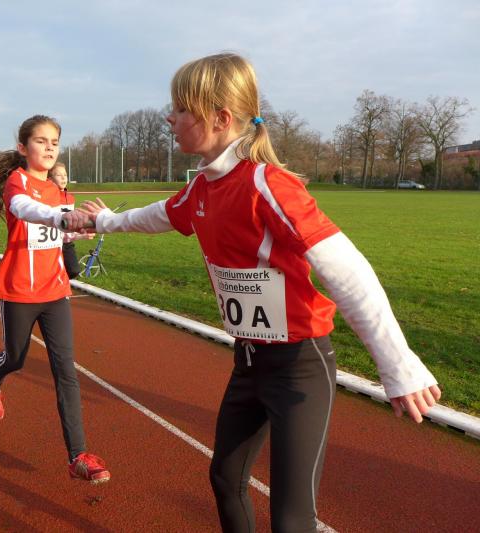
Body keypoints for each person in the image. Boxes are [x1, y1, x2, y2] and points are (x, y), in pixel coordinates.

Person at [66, 53, 440, 531]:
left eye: (181, 109)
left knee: (291, 517)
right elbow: (157, 215)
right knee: (225, 479)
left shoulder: (268, 185)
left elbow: (347, 271)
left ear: (221, 118)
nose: (169, 118)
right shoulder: (202, 188)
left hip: (299, 368)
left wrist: (398, 365)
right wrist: (102, 222)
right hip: (247, 362)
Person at [0, 114, 110, 484]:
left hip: (55, 292)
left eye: (54, 142)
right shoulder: (17, 182)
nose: (49, 148)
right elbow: (25, 210)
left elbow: (56, 236)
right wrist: (60, 219)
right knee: (15, 358)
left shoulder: (62, 193)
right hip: (19, 291)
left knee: (66, 370)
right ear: (23, 147)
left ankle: (78, 455)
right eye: (41, 141)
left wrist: (75, 233)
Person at [48, 162, 94, 279]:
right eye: (59, 175)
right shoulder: (48, 197)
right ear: (50, 179)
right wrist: (80, 236)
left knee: (73, 270)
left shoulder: (70, 198)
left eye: (65, 175)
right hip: (52, 242)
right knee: (51, 272)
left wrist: (83, 230)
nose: (63, 178)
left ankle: (59, 283)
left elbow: (70, 224)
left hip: (67, 242)